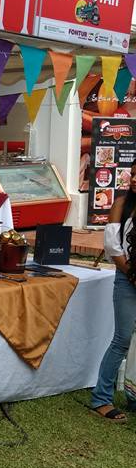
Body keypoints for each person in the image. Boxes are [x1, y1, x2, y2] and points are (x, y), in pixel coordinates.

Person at [91, 160, 136, 421]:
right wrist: (131, 274)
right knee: (122, 339)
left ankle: (133, 396)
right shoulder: (121, 204)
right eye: (134, 174)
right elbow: (112, 246)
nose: (135, 179)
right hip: (127, 278)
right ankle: (101, 398)